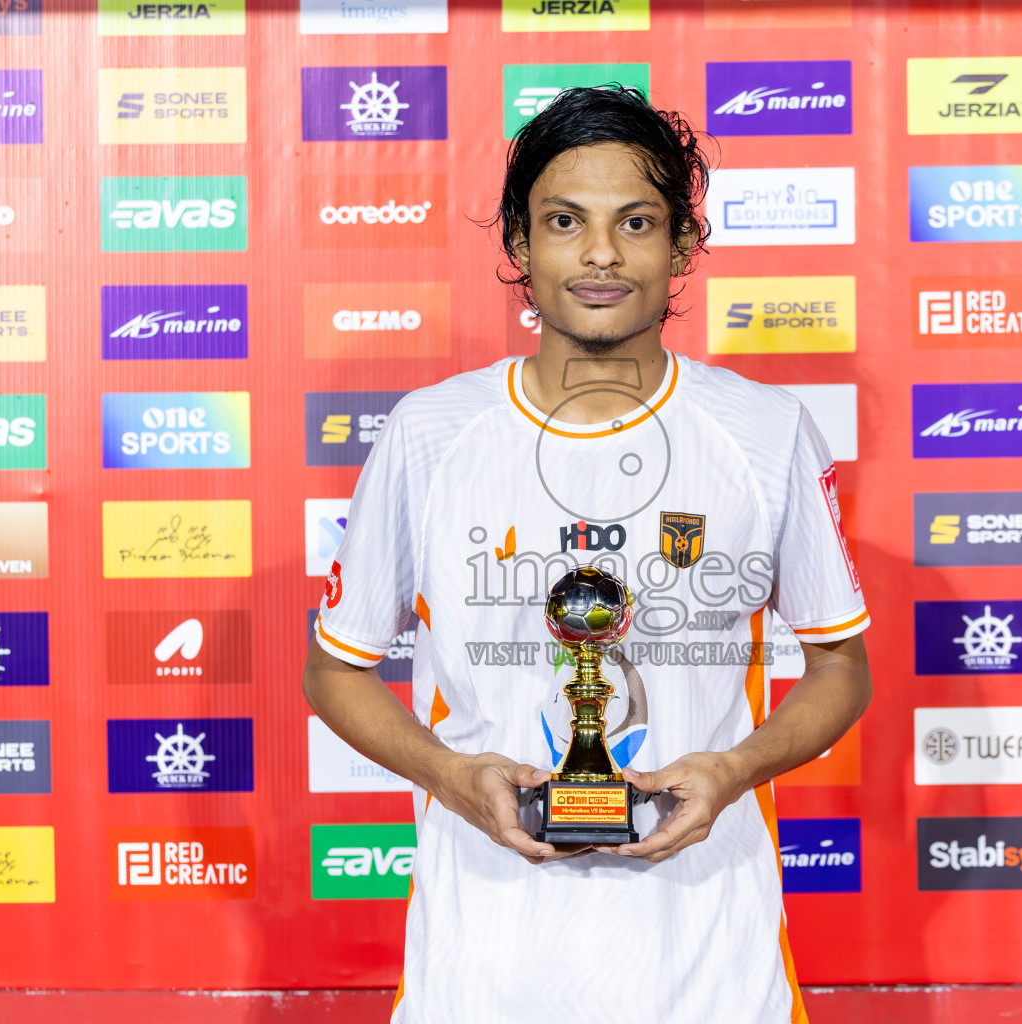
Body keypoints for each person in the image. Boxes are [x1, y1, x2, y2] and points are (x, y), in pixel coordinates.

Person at [302, 86, 872, 1024]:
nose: (600, 252)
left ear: (683, 245)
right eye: (565, 221)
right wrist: (451, 775)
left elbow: (841, 668)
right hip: (485, 961)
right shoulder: (432, 434)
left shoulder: (764, 431)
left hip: (707, 960)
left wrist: (733, 772)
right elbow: (337, 668)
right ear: (521, 247)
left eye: (636, 221)